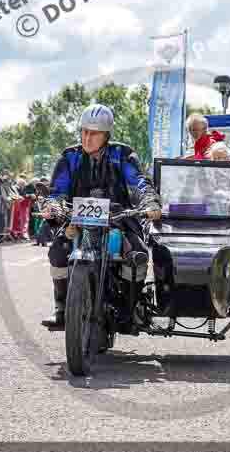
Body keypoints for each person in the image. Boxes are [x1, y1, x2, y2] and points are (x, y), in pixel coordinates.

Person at [41, 103, 162, 331]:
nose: (87, 138)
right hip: (77, 219)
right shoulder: (70, 157)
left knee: (137, 254)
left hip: (118, 218)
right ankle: (61, 309)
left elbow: (140, 182)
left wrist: (150, 201)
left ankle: (130, 310)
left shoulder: (122, 155)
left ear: (106, 135)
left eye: (93, 133)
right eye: (84, 132)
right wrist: (52, 205)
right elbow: (57, 190)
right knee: (57, 250)